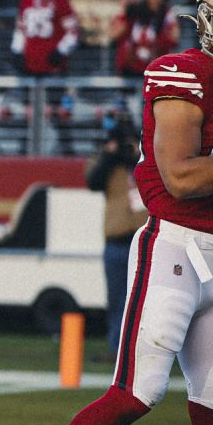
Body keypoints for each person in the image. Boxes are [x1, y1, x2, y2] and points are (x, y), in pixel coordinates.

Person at [10, 0, 213, 425]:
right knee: (136, 393)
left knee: (211, 408)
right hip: (175, 246)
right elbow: (180, 178)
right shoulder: (184, 71)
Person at [85, 115, 146, 357]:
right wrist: (110, 155)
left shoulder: (143, 155)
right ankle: (117, 349)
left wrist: (134, 151)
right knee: (117, 299)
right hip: (117, 238)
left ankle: (146, 352)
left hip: (142, 238)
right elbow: (92, 181)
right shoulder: (106, 159)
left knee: (146, 299)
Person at [10, 0, 79, 76]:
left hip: (53, 65)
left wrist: (60, 51)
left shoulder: (60, 0)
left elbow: (73, 32)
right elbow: (20, 29)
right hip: (29, 64)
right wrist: (17, 51)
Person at [112, 0, 179, 78]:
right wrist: (127, 17)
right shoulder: (132, 16)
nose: (157, 2)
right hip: (131, 66)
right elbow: (114, 35)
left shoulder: (167, 15)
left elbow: (175, 38)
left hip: (156, 66)